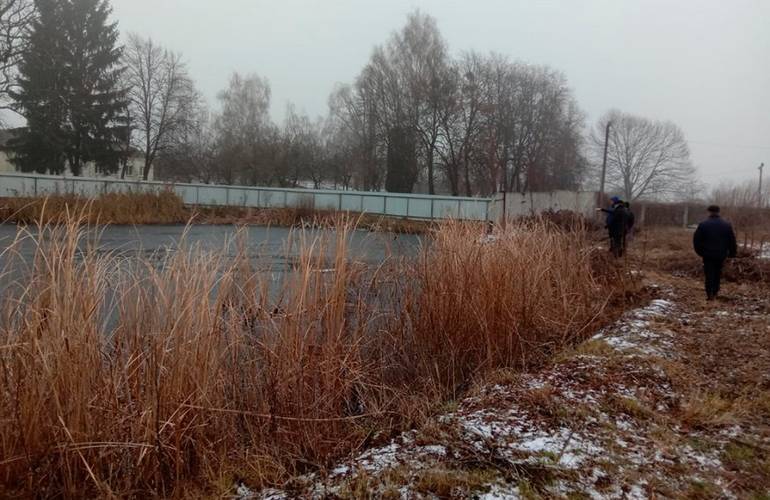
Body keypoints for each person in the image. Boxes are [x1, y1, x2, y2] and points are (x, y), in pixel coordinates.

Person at [693, 205, 737, 300]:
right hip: (721, 254)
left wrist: (700, 252)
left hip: (707, 254)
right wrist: (732, 253)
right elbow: (732, 240)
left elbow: (696, 241)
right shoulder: (726, 225)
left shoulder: (703, 225)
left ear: (709, 212)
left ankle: (709, 294)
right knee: (717, 273)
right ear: (718, 212)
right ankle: (715, 292)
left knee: (709, 274)